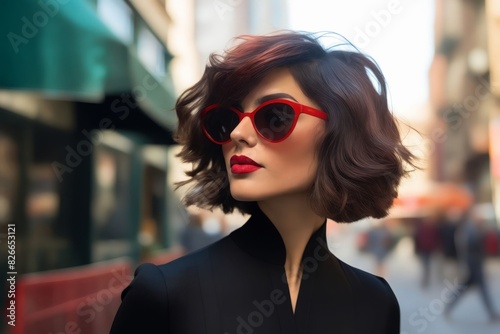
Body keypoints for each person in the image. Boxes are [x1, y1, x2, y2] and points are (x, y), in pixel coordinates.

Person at [110, 31, 415, 333]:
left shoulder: (376, 303)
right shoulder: (164, 296)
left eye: (275, 116)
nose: (237, 133)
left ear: (339, 133)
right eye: (228, 120)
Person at [444, 209, 499, 321]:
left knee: (473, 289)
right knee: (466, 289)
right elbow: (470, 245)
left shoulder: (470, 228)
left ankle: (491, 313)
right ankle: (491, 313)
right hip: (472, 266)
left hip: (474, 265)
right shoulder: (470, 229)